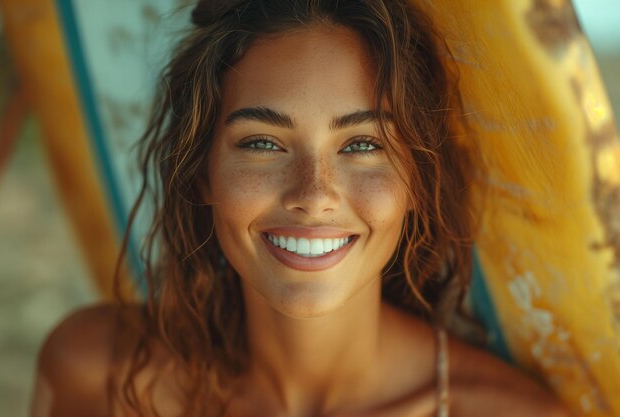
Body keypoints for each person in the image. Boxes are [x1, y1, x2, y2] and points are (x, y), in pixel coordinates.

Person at [30, 1, 573, 416]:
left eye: (363, 145)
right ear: (200, 172)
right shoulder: (97, 373)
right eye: (263, 143)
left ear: (418, 181)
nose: (313, 195)